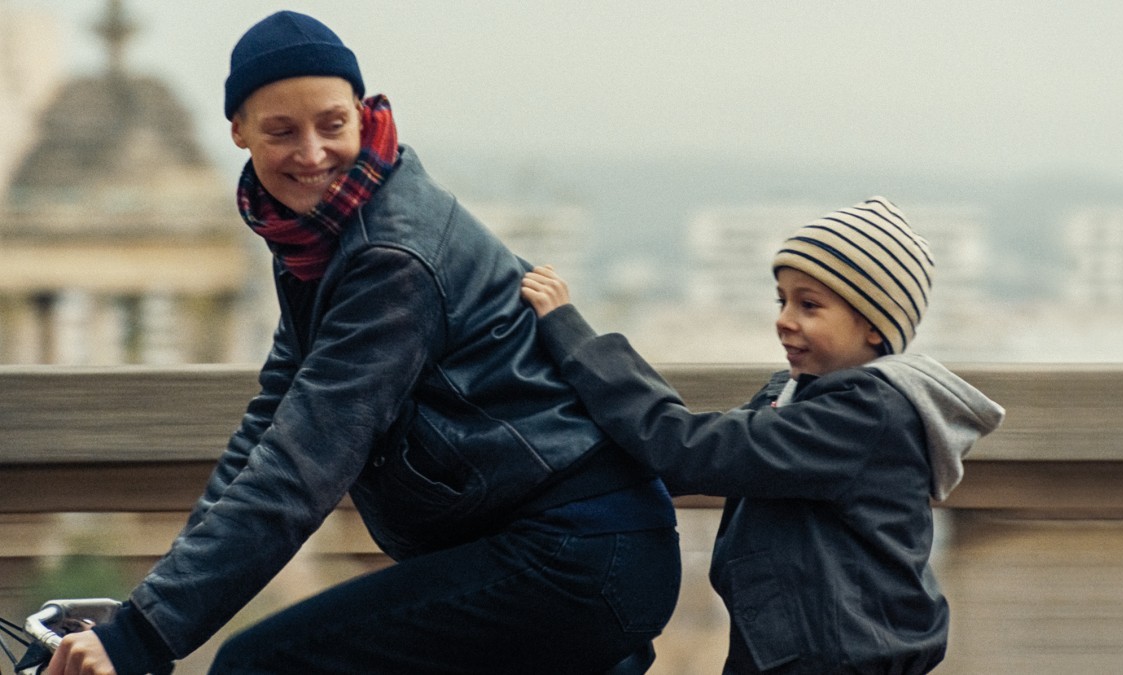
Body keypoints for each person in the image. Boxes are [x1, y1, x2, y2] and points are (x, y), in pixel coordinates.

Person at [48, 11, 680, 675]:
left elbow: (304, 463)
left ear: (363, 111)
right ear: (239, 132)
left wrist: (144, 635)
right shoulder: (317, 234)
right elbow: (267, 430)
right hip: (560, 547)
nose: (312, 153)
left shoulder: (391, 257)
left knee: (259, 664)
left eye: (332, 124)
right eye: (282, 132)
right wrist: (146, 613)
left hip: (576, 550)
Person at [521, 197, 1006, 674]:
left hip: (838, 660)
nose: (784, 319)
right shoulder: (798, 398)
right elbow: (683, 456)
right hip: (795, 651)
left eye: (809, 305)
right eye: (782, 300)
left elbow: (692, 449)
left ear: (875, 326)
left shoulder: (862, 416)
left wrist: (575, 341)